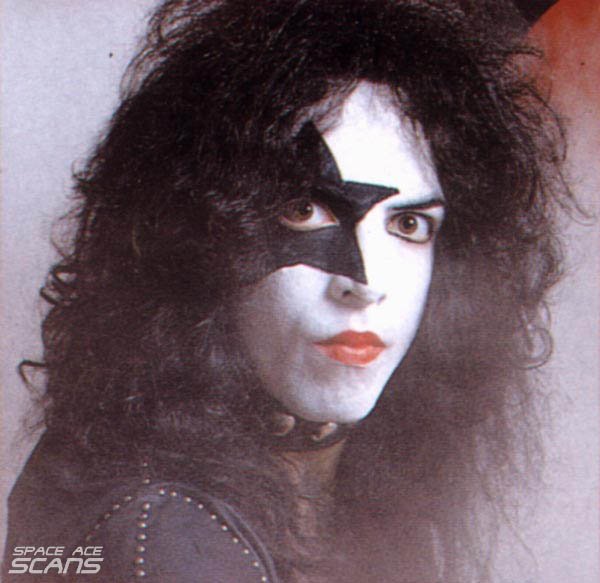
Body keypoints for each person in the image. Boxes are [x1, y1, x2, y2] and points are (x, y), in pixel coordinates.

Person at [3, 0, 571, 581]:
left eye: (408, 224)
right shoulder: (162, 530)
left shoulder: (337, 480)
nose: (366, 285)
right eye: (305, 211)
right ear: (203, 236)